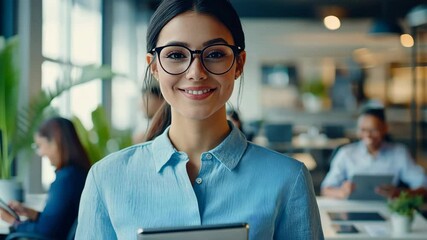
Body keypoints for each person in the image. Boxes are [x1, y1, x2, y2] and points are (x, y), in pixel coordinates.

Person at [76, 0, 323, 239]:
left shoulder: (288, 179)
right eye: (175, 55)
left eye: (215, 53)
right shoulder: (107, 178)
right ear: (154, 67)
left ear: (239, 64)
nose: (196, 72)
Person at [0, 117, 91, 239]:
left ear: (55, 143)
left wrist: (13, 222)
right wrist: (30, 212)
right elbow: (59, 222)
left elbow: (44, 232)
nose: (40, 153)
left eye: (40, 145)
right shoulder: (80, 174)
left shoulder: (65, 180)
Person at [321, 107, 427, 199]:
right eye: (363, 130)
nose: (368, 135)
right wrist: (341, 192)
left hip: (388, 208)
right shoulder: (346, 153)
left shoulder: (399, 153)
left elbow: (423, 186)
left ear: (385, 128)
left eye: (374, 130)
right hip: (351, 207)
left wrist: (400, 193)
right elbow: (325, 189)